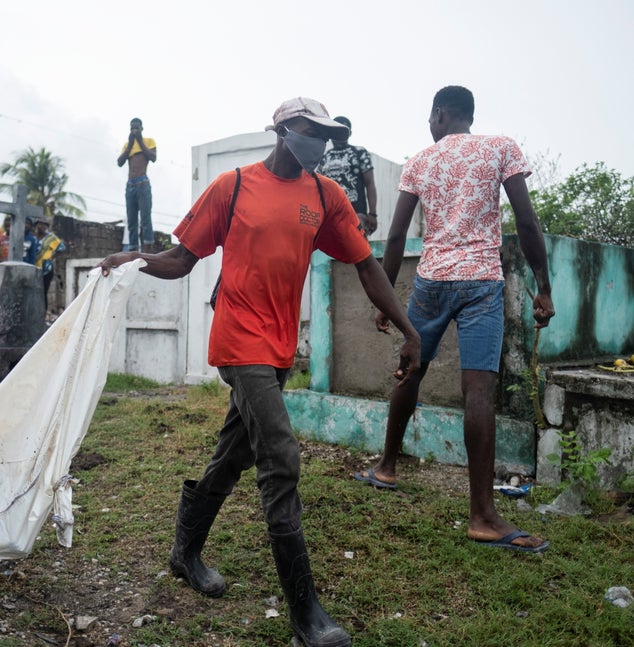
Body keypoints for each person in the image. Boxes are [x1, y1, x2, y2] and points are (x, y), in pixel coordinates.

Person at [99, 97, 421, 647]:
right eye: (309, 130)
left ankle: (184, 550)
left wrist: (409, 331)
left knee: (237, 451)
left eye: (326, 134)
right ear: (281, 130)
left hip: (278, 349)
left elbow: (366, 265)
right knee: (281, 454)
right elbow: (183, 258)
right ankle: (306, 615)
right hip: (238, 339)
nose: (319, 142)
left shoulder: (324, 196)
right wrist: (136, 260)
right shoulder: (233, 186)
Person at [356, 86, 555, 554]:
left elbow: (398, 233)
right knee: (478, 390)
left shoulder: (421, 160)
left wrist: (386, 302)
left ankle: (386, 466)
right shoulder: (501, 148)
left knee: (412, 369)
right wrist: (543, 286)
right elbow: (526, 223)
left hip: (431, 280)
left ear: (442, 113)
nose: (429, 123)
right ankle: (483, 516)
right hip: (482, 280)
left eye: (431, 115)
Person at [315, 116, 379, 237]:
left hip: (356, 213)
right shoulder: (324, 157)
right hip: (329, 215)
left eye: (343, 131)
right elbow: (318, 188)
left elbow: (370, 183)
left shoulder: (359, 152)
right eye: (336, 131)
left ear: (350, 133)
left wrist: (373, 214)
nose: (339, 135)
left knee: (357, 249)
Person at [117, 117, 157, 251]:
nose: (134, 130)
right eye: (132, 128)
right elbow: (120, 162)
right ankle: (133, 251)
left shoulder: (149, 141)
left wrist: (139, 140)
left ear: (141, 128)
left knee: (145, 219)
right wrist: (130, 144)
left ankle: (147, 251)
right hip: (130, 186)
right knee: (131, 221)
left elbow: (153, 157)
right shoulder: (126, 145)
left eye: (137, 128)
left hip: (143, 183)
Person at [34, 216, 66, 310]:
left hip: (46, 269)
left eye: (44, 225)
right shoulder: (33, 237)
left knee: (43, 292)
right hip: (34, 267)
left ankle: (42, 314)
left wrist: (52, 256)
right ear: (36, 225)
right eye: (40, 224)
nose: (42, 227)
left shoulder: (51, 237)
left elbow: (61, 248)